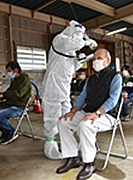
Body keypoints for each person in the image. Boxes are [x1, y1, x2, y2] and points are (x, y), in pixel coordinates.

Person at [56, 48, 122, 180]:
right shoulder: (90, 79)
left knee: (85, 125)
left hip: (107, 115)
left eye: (99, 58)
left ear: (107, 61)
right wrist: (73, 111)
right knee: (63, 122)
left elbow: (113, 99)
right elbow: (82, 97)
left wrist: (98, 113)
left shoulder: (116, 77)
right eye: (94, 58)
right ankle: (72, 157)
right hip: (89, 111)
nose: (95, 61)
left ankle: (89, 163)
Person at [41, 20, 97, 159]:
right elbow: (76, 43)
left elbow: (73, 65)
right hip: (52, 88)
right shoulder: (60, 40)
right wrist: (84, 40)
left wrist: (89, 56)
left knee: (68, 117)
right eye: (78, 33)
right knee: (51, 118)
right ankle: (50, 145)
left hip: (64, 90)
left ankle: (68, 144)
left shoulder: (69, 51)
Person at [0, 61, 31, 144]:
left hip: (19, 107)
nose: (8, 73)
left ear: (16, 70)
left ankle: (11, 132)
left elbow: (19, 94)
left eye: (9, 70)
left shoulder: (24, 79)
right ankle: (5, 131)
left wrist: (4, 95)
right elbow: (9, 92)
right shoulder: (14, 80)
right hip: (10, 105)